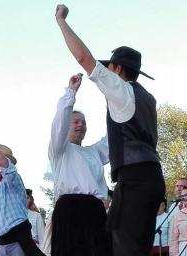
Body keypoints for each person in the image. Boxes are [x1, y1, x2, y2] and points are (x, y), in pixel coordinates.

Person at [55, 5, 165, 256]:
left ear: (116, 70)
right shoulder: (146, 98)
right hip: (152, 177)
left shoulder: (121, 90)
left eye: (110, 68)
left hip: (135, 181)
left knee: (124, 249)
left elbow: (85, 59)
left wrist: (61, 21)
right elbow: (116, 142)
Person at [49, 73, 111, 256]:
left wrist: (113, 105)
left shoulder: (93, 152)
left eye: (83, 123)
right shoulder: (59, 149)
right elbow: (59, 123)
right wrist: (71, 93)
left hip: (94, 210)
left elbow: (112, 140)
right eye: (75, 122)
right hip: (69, 211)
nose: (80, 125)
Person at [170, 189, 187, 256]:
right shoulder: (178, 214)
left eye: (186, 195)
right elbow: (173, 238)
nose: (184, 198)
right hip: (183, 249)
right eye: (182, 196)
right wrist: (174, 254)